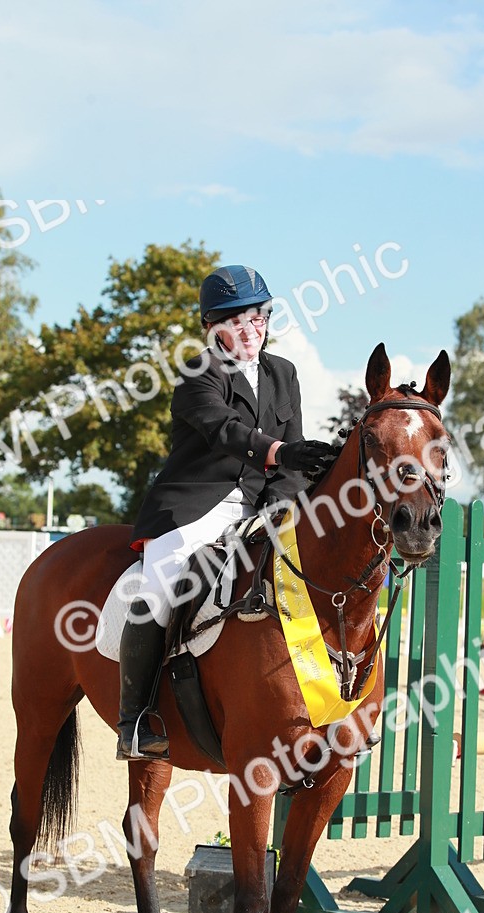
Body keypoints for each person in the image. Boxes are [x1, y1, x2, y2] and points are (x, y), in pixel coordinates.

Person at [117, 264, 337, 760]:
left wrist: (283, 499)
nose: (250, 331)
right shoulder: (198, 372)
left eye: (258, 319)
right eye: (237, 322)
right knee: (159, 584)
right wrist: (282, 452)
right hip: (195, 507)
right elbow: (226, 433)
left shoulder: (284, 373)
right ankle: (135, 720)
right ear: (212, 328)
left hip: (263, 505)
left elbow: (296, 455)